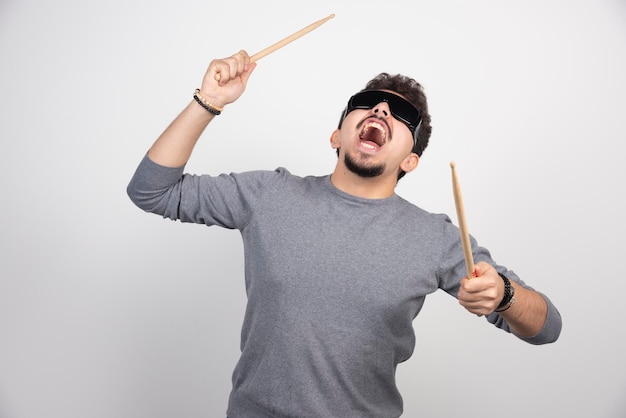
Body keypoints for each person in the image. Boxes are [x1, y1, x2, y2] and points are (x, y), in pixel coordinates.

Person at [127, 50, 562, 417]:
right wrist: (208, 100)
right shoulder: (269, 194)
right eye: (368, 102)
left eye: (402, 115)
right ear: (337, 135)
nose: (382, 110)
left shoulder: (435, 238)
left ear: (410, 160)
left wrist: (503, 294)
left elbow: (547, 327)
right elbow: (151, 190)